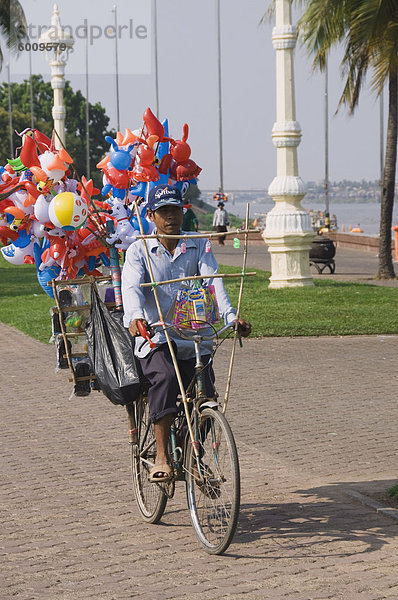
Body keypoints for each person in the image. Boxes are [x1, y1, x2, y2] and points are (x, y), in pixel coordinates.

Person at [121, 184, 251, 482]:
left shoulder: (198, 244)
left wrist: (231, 317)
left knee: (207, 395)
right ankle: (162, 457)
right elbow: (131, 288)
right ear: (151, 215)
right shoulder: (139, 249)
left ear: (183, 212)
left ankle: (193, 457)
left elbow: (213, 279)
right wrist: (136, 317)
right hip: (156, 335)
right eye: (164, 211)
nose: (171, 217)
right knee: (165, 378)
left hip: (193, 335)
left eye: (176, 210)